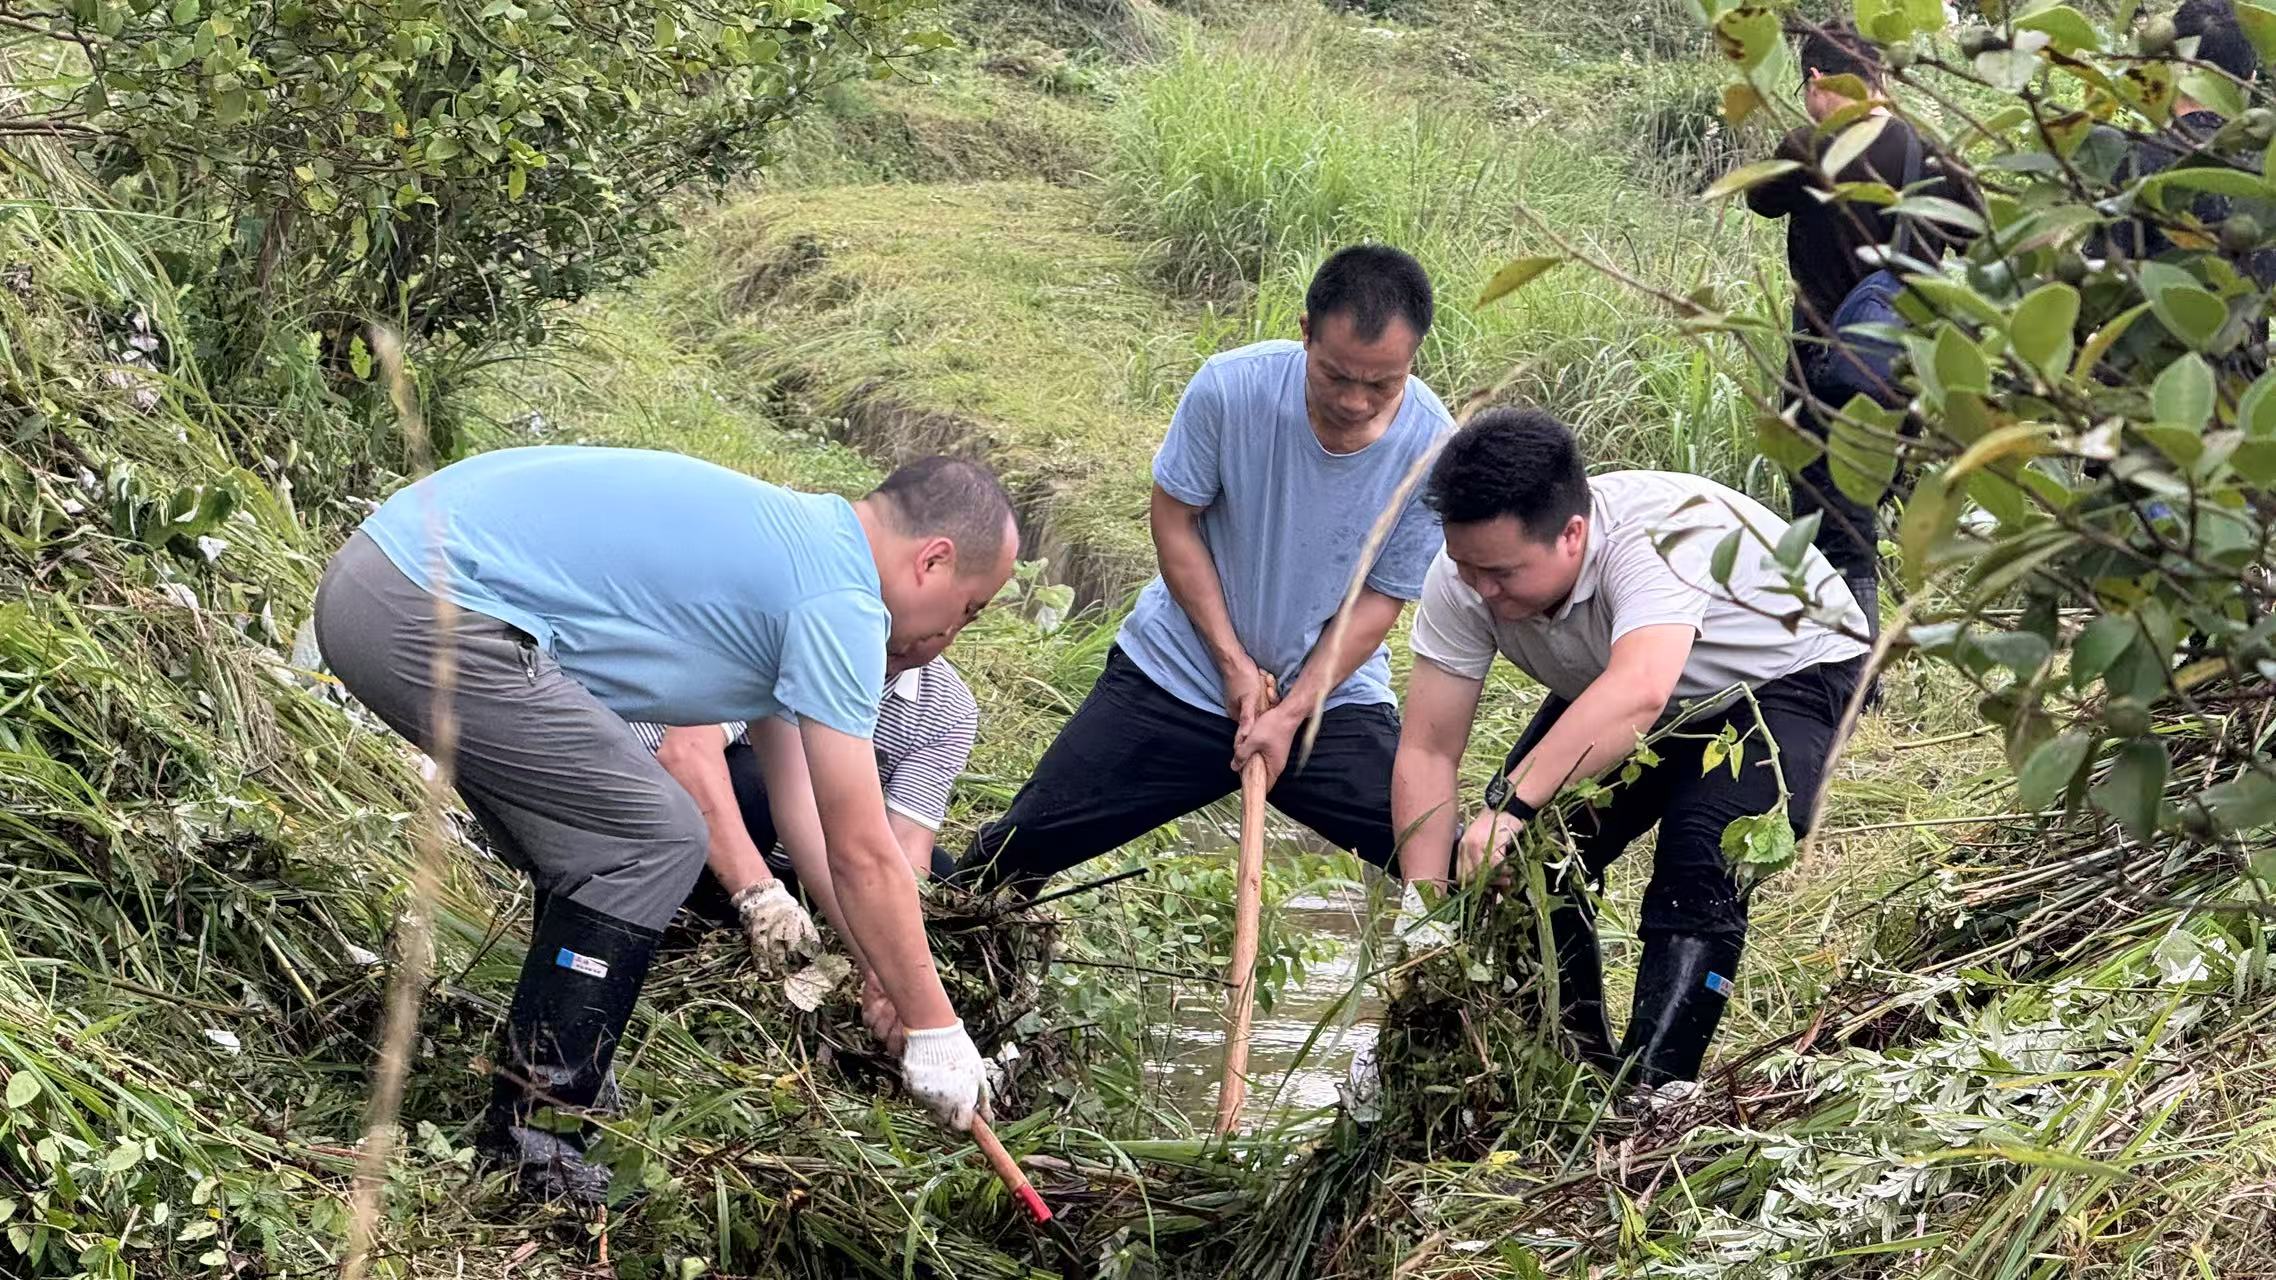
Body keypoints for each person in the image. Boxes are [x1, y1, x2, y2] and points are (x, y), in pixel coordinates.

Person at [312, 446, 1017, 1202]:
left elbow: (805, 818)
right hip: (421, 602)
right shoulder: (840, 600)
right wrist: (939, 1028)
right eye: (969, 609)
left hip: (385, 578)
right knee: (654, 835)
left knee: (606, 832)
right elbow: (863, 852)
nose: (957, 632)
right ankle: (534, 1137)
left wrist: (884, 974)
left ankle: (557, 1070)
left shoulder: (809, 552)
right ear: (934, 562)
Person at [951, 245, 1454, 896]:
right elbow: (1174, 523)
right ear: (1305, 332)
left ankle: (1467, 990)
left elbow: (1381, 603)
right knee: (1011, 856)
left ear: (1413, 359)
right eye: (1335, 376)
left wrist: (1291, 712)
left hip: (1329, 703)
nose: (1356, 402)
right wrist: (1234, 666)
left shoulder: (1436, 448)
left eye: (1381, 384)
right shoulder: (1230, 388)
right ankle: (920, 976)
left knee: (1442, 865)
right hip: (1177, 676)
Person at [1390, 409, 1867, 1089]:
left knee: (1703, 855)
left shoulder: (1656, 535)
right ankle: (1574, 1076)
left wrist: (1515, 804)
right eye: (1468, 569)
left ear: (1572, 534)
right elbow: (1429, 751)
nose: (1483, 593)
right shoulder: (1464, 575)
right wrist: (1425, 912)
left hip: (1786, 676)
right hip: (1627, 681)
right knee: (1521, 859)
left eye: (1503, 574)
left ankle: (1652, 1097)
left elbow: (1640, 690)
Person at [1744, 20, 1978, 632]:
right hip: (1905, 369)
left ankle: (1850, 679)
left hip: (1823, 364)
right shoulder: (1930, 152)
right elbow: (1979, 239)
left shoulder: (1808, 147)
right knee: (1874, 507)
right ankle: (1884, 651)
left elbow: (1759, 199)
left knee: (1836, 529)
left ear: (1817, 78)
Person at [633, 643, 980, 1049]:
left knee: (940, 874)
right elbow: (686, 755)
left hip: (821, 860)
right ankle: (696, 921)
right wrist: (761, 898)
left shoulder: (946, 707)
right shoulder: (796, 642)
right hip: (704, 824)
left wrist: (893, 972)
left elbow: (908, 850)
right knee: (752, 781)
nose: (940, 632)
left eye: (969, 614)